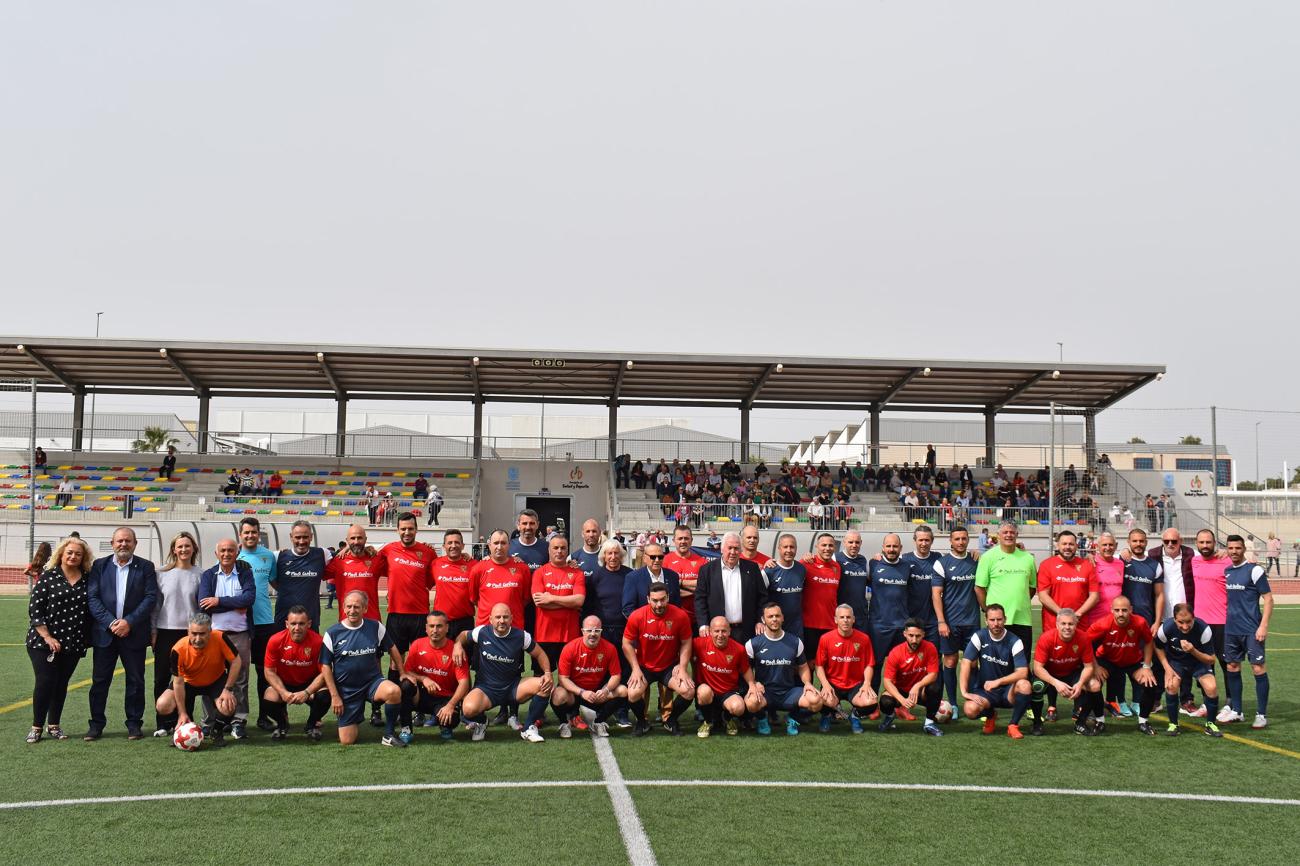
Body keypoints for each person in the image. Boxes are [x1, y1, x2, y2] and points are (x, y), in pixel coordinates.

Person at [85, 526, 158, 741]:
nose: (123, 544)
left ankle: (134, 724)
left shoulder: (145, 567)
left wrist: (129, 622)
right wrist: (111, 623)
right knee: (100, 681)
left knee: (136, 681)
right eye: (119, 541)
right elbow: (93, 598)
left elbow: (150, 597)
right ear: (112, 543)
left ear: (135, 543)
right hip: (105, 635)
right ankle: (96, 725)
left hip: (133, 634)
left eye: (128, 541)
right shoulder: (99, 566)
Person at [454, 603, 555, 743]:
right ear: (490, 619)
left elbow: (540, 654)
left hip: (513, 687)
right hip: (487, 689)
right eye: (498, 617)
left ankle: (529, 727)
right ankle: (482, 722)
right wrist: (458, 645)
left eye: (505, 617)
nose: (502, 620)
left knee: (545, 684)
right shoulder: (481, 632)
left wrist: (548, 672)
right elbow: (463, 635)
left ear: (511, 619)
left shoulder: (521, 636)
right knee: (468, 709)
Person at [26, 536, 93, 743]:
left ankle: (53, 725)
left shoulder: (87, 578)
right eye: (69, 553)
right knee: (45, 682)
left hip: (73, 642)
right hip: (43, 642)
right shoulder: (48, 576)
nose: (73, 556)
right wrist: (47, 637)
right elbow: (35, 610)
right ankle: (37, 726)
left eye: (78, 554)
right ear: (61, 554)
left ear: (83, 558)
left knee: (61, 683)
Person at [320, 590, 406, 746]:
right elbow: (325, 666)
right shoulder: (332, 633)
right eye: (349, 607)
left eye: (357, 607)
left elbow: (393, 648)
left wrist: (402, 673)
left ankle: (389, 734)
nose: (352, 611)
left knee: (393, 691)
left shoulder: (375, 627)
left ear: (365, 609)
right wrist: (335, 696)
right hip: (347, 690)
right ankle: (354, 715)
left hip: (372, 683)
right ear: (343, 608)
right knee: (347, 741)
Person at [376, 513, 436, 722]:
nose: (406, 532)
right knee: (395, 661)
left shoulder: (427, 552)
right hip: (396, 615)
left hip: (420, 615)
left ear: (416, 529)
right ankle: (396, 703)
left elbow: (432, 578)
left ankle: (421, 707)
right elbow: (367, 555)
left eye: (410, 528)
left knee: (421, 662)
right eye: (403, 529)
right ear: (398, 530)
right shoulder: (388, 550)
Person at [197, 538, 255, 739]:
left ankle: (238, 722)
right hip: (214, 636)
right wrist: (234, 604)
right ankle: (208, 722)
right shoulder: (208, 576)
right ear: (216, 554)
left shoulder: (245, 573)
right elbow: (204, 604)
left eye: (231, 550)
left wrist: (219, 601)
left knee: (240, 681)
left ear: (237, 552)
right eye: (223, 550)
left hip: (239, 636)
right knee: (210, 679)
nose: (227, 554)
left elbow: (248, 599)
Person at [155, 612, 241, 747]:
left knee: (228, 705)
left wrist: (227, 689)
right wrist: (182, 713)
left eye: (202, 634)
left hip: (215, 680)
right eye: (194, 633)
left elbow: (236, 661)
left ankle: (216, 731)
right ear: (188, 631)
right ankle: (181, 728)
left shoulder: (220, 637)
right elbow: (178, 682)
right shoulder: (178, 649)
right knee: (162, 704)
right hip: (188, 683)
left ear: (210, 631)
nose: (197, 638)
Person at [622, 583, 695, 736]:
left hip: (669, 666)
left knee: (688, 691)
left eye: (662, 599)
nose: (659, 604)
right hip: (644, 666)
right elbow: (626, 643)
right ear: (648, 599)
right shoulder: (637, 616)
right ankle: (642, 722)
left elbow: (686, 642)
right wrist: (635, 669)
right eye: (655, 600)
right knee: (633, 693)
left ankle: (671, 720)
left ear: (668, 598)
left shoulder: (680, 616)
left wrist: (682, 667)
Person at [959, 604, 1040, 738]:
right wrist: (964, 692)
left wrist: (998, 681)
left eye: (999, 619)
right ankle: (991, 716)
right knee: (969, 709)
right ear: (986, 621)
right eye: (992, 620)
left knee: (1025, 685)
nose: (996, 623)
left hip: (1008, 691)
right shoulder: (979, 636)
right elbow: (966, 662)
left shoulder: (1015, 641)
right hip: (986, 691)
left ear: (1005, 619)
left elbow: (1023, 672)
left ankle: (1013, 725)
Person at [743, 602, 822, 736]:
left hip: (789, 693)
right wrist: (754, 684)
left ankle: (793, 719)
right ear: (763, 619)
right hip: (765, 693)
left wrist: (808, 683)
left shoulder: (795, 642)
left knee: (817, 701)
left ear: (783, 618)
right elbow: (746, 669)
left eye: (777, 616)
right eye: (770, 616)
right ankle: (762, 719)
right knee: (751, 703)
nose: (774, 619)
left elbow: (803, 667)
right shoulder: (753, 644)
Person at [150, 531, 202, 736]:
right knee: (161, 678)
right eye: (179, 546)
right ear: (173, 549)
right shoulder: (161, 574)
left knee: (186, 679)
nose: (183, 550)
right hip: (165, 631)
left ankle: (185, 719)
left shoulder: (201, 574)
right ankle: (163, 723)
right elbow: (155, 606)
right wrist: (153, 630)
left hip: (190, 634)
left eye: (187, 546)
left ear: (193, 549)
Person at [1086, 596, 1159, 735]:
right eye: (1117, 610)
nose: (1121, 613)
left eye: (1124, 610)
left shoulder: (1140, 622)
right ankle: (1100, 720)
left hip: (1132, 662)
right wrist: (1095, 666)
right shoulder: (1102, 624)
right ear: (1111, 610)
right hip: (1107, 660)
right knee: (1093, 684)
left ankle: (1143, 721)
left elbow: (1149, 642)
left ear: (1131, 610)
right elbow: (1086, 644)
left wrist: (1147, 667)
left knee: (1150, 683)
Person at [1222, 535, 1274, 729]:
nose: (1234, 551)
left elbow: (1268, 599)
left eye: (1237, 548)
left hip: (1252, 630)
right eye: (1230, 548)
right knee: (1232, 667)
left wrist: (1263, 626)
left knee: (1258, 669)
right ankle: (1237, 711)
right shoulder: (1226, 571)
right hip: (1231, 629)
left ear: (1244, 549)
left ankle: (1261, 714)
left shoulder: (1254, 570)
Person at [1153, 603, 1224, 737]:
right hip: (1176, 662)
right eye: (1181, 622)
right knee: (1171, 685)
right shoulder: (1165, 628)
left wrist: (1193, 651)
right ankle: (1173, 724)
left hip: (1199, 663)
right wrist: (1167, 668)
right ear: (1174, 619)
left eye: (1188, 622)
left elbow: (1211, 659)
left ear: (1194, 618)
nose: (1185, 626)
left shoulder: (1204, 629)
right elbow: (1158, 646)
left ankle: (1210, 724)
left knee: (1212, 687)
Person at [399, 610, 471, 742]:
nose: (435, 630)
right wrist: (424, 679)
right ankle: (406, 729)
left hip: (444, 699)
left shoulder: (456, 651)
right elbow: (406, 671)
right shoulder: (417, 645)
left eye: (439, 626)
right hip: (421, 696)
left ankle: (444, 725)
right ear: (426, 628)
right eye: (431, 626)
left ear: (447, 628)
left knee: (452, 719)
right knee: (406, 685)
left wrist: (451, 705)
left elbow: (464, 682)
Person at [261, 605, 331, 740]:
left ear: (309, 624)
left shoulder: (318, 642)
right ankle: (282, 725)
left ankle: (311, 726)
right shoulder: (275, 640)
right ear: (287, 624)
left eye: (301, 624)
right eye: (293, 623)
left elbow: (325, 673)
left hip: (309, 682)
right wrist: (283, 692)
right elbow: (269, 671)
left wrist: (307, 692)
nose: (297, 628)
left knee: (325, 696)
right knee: (269, 698)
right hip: (285, 682)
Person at [235, 516, 278, 733]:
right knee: (237, 673)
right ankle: (236, 719)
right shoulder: (232, 556)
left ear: (258, 534)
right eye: (246, 532)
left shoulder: (268, 556)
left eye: (254, 532)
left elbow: (276, 582)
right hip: (240, 625)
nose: (250, 535)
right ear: (240, 535)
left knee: (265, 673)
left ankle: (264, 716)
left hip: (264, 623)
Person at [931, 525, 980, 713]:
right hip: (950, 624)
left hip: (972, 622)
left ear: (968, 540)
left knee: (973, 662)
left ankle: (975, 698)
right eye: (957, 539)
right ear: (950, 541)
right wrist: (941, 621)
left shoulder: (976, 561)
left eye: (964, 538)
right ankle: (953, 703)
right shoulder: (942, 564)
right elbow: (936, 595)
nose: (960, 542)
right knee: (950, 662)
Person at [553, 615, 627, 738]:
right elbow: (563, 678)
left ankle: (599, 722)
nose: (593, 634)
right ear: (582, 631)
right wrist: (582, 692)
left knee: (623, 691)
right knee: (558, 695)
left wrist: (605, 690)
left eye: (597, 630)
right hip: (576, 693)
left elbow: (616, 675)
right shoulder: (570, 648)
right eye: (589, 630)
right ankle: (564, 723)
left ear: (601, 631)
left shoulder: (609, 648)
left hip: (597, 693)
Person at [1032, 608, 1102, 735]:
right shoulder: (1046, 638)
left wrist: (1080, 684)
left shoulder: (1083, 638)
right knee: (1038, 686)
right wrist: (1056, 683)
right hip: (1050, 674)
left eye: (1071, 624)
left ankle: (1080, 723)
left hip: (1072, 672)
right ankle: (1037, 723)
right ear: (1057, 624)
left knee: (1094, 685)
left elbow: (1089, 667)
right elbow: (1037, 668)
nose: (1067, 627)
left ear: (1076, 624)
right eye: (1063, 624)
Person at [814, 604, 878, 734]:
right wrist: (825, 685)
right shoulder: (826, 639)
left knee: (871, 701)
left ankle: (855, 716)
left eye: (848, 617)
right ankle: (827, 716)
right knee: (823, 700)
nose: (845, 620)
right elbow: (819, 665)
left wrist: (866, 684)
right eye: (842, 617)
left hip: (855, 684)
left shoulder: (864, 639)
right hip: (833, 683)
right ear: (836, 619)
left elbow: (869, 664)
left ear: (853, 619)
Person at [974, 522, 1037, 651]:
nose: (1009, 535)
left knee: (1022, 664)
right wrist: (988, 610)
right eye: (1005, 532)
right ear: (998, 536)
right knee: (997, 665)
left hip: (1023, 620)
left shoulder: (1028, 558)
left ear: (1017, 535)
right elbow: (979, 588)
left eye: (1012, 532)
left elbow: (1032, 587)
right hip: (997, 621)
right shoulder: (988, 557)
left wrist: (1019, 603)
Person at [694, 532, 768, 638]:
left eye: (736, 548)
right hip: (718, 632)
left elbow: (762, 597)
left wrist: (760, 620)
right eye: (730, 548)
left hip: (747, 631)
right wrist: (703, 624)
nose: (733, 552)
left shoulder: (752, 569)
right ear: (722, 549)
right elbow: (700, 599)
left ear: (741, 550)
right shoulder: (707, 570)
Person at [878, 618, 943, 736]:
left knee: (935, 687)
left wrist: (918, 685)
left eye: (918, 636)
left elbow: (933, 674)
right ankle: (890, 716)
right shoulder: (896, 652)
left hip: (919, 691)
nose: (914, 640)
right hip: (900, 691)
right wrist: (902, 700)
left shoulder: (930, 648)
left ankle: (929, 723)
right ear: (905, 634)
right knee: (885, 702)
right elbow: (887, 682)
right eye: (911, 635)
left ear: (923, 634)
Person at [531, 535, 587, 672]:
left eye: (563, 548)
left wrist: (551, 598)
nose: (559, 551)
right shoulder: (539, 572)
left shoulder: (577, 573)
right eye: (555, 548)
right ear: (549, 550)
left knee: (568, 680)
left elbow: (579, 601)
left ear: (568, 551)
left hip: (569, 635)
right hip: (544, 635)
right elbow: (539, 602)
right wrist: (568, 602)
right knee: (541, 680)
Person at [692, 617, 755, 738]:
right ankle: (708, 722)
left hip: (728, 692)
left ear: (729, 631)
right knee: (703, 692)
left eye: (724, 631)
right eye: (716, 631)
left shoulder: (739, 649)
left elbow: (746, 669)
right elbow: (683, 648)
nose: (720, 635)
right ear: (710, 631)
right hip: (708, 690)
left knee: (739, 707)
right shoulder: (699, 643)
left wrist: (752, 685)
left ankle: (727, 719)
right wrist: (681, 668)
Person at [867, 533, 912, 693]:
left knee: (901, 666)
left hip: (901, 625)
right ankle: (871, 702)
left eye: (895, 546)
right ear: (883, 548)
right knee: (876, 664)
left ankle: (898, 704)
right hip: (878, 625)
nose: (891, 549)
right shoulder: (874, 564)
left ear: (900, 548)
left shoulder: (907, 566)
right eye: (888, 546)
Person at [1037, 530, 1099, 636]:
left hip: (1080, 624)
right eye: (1064, 544)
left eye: (1071, 544)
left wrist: (1078, 614)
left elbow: (1094, 596)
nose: (1067, 547)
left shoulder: (1087, 565)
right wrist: (1062, 614)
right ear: (1058, 545)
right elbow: (1043, 595)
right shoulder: (1046, 565)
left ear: (1076, 546)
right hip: (1053, 624)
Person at [274, 519, 331, 630]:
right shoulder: (278, 557)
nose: (301, 541)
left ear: (311, 536)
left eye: (305, 537)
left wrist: (366, 549)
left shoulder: (322, 554)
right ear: (291, 537)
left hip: (310, 620)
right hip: (284, 621)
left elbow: (346, 557)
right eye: (297, 537)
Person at [324, 525, 383, 622]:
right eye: (352, 538)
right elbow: (317, 572)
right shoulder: (339, 561)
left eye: (360, 538)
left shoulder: (376, 558)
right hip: (346, 622)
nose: (356, 541)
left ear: (365, 539)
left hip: (372, 621)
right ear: (347, 540)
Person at [799, 532, 843, 655]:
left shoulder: (837, 567)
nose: (827, 548)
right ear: (817, 546)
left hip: (831, 625)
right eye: (824, 545)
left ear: (834, 547)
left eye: (830, 545)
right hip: (809, 625)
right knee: (809, 664)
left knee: (830, 665)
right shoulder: (806, 563)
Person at [431, 528, 476, 637]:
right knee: (442, 654)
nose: (453, 545)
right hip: (441, 621)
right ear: (444, 546)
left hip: (465, 622)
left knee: (465, 654)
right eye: (449, 543)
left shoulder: (474, 565)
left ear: (463, 545)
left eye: (457, 542)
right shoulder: (435, 564)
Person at [762, 533, 807, 639]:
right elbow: (758, 598)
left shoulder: (801, 569)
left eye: (792, 547)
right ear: (779, 548)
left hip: (796, 627)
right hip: (774, 627)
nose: (789, 550)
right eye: (785, 547)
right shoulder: (769, 571)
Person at [903, 525, 943, 645]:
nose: (924, 543)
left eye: (927, 540)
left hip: (933, 619)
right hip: (911, 618)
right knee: (912, 656)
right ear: (915, 540)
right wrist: (879, 556)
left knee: (934, 655)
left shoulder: (938, 558)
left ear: (932, 541)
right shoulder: (905, 559)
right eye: (921, 540)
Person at [663, 526, 707, 631]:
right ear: (674, 540)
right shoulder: (665, 561)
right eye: (680, 538)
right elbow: (666, 589)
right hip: (671, 618)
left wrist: (679, 583)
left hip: (696, 619)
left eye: (686, 538)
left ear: (691, 540)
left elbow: (704, 588)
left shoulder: (702, 562)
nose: (683, 541)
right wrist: (694, 589)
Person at [623, 541, 682, 616]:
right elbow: (628, 609)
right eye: (653, 557)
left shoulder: (672, 576)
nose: (657, 560)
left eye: (660, 557)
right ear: (644, 558)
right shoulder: (633, 578)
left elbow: (677, 605)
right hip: (643, 625)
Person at [834, 530, 870, 628]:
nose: (854, 545)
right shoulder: (835, 558)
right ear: (844, 542)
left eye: (857, 542)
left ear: (861, 543)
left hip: (860, 616)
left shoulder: (863, 560)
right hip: (842, 617)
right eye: (850, 542)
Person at [508, 508, 548, 573]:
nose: (528, 527)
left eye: (532, 523)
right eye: (524, 523)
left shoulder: (547, 547)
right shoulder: (508, 546)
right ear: (518, 525)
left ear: (537, 525)